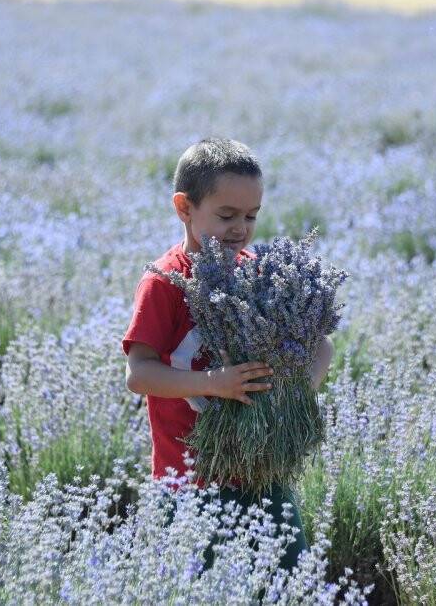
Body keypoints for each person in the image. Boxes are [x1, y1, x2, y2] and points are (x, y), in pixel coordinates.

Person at [121, 137, 334, 573]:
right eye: (226, 215)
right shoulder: (164, 283)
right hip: (189, 481)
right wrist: (213, 383)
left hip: (262, 476)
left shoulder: (257, 273)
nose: (241, 228)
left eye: (251, 216)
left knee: (286, 582)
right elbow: (140, 374)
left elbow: (322, 345)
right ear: (184, 208)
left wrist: (292, 396)